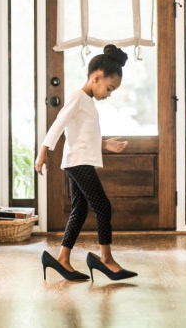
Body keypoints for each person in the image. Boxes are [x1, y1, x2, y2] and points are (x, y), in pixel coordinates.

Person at [36, 44, 138, 282]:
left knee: (79, 210)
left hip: (79, 161)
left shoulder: (87, 102)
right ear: (96, 77)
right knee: (102, 205)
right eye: (109, 88)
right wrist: (43, 151)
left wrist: (105, 145)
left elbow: (82, 136)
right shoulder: (78, 97)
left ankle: (61, 258)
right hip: (78, 163)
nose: (109, 93)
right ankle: (106, 259)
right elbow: (59, 124)